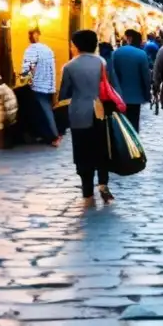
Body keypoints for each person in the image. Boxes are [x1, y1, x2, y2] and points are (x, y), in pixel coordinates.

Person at [59, 30, 114, 205]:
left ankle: (87, 191)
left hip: (79, 113)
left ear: (76, 45)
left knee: (82, 151)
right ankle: (103, 183)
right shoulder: (102, 62)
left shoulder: (69, 66)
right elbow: (110, 87)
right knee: (102, 148)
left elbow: (64, 93)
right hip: (101, 111)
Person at [20, 28, 60, 147]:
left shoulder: (31, 49)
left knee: (44, 109)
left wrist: (23, 77)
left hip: (38, 84)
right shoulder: (47, 49)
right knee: (46, 108)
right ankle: (47, 134)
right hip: (49, 83)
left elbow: (28, 67)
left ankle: (53, 135)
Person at [111, 28, 151, 131]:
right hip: (136, 97)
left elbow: (112, 74)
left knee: (121, 124)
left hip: (118, 96)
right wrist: (147, 94)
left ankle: (121, 144)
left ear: (128, 38)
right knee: (133, 124)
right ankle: (133, 145)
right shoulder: (141, 54)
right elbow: (146, 77)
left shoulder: (116, 53)